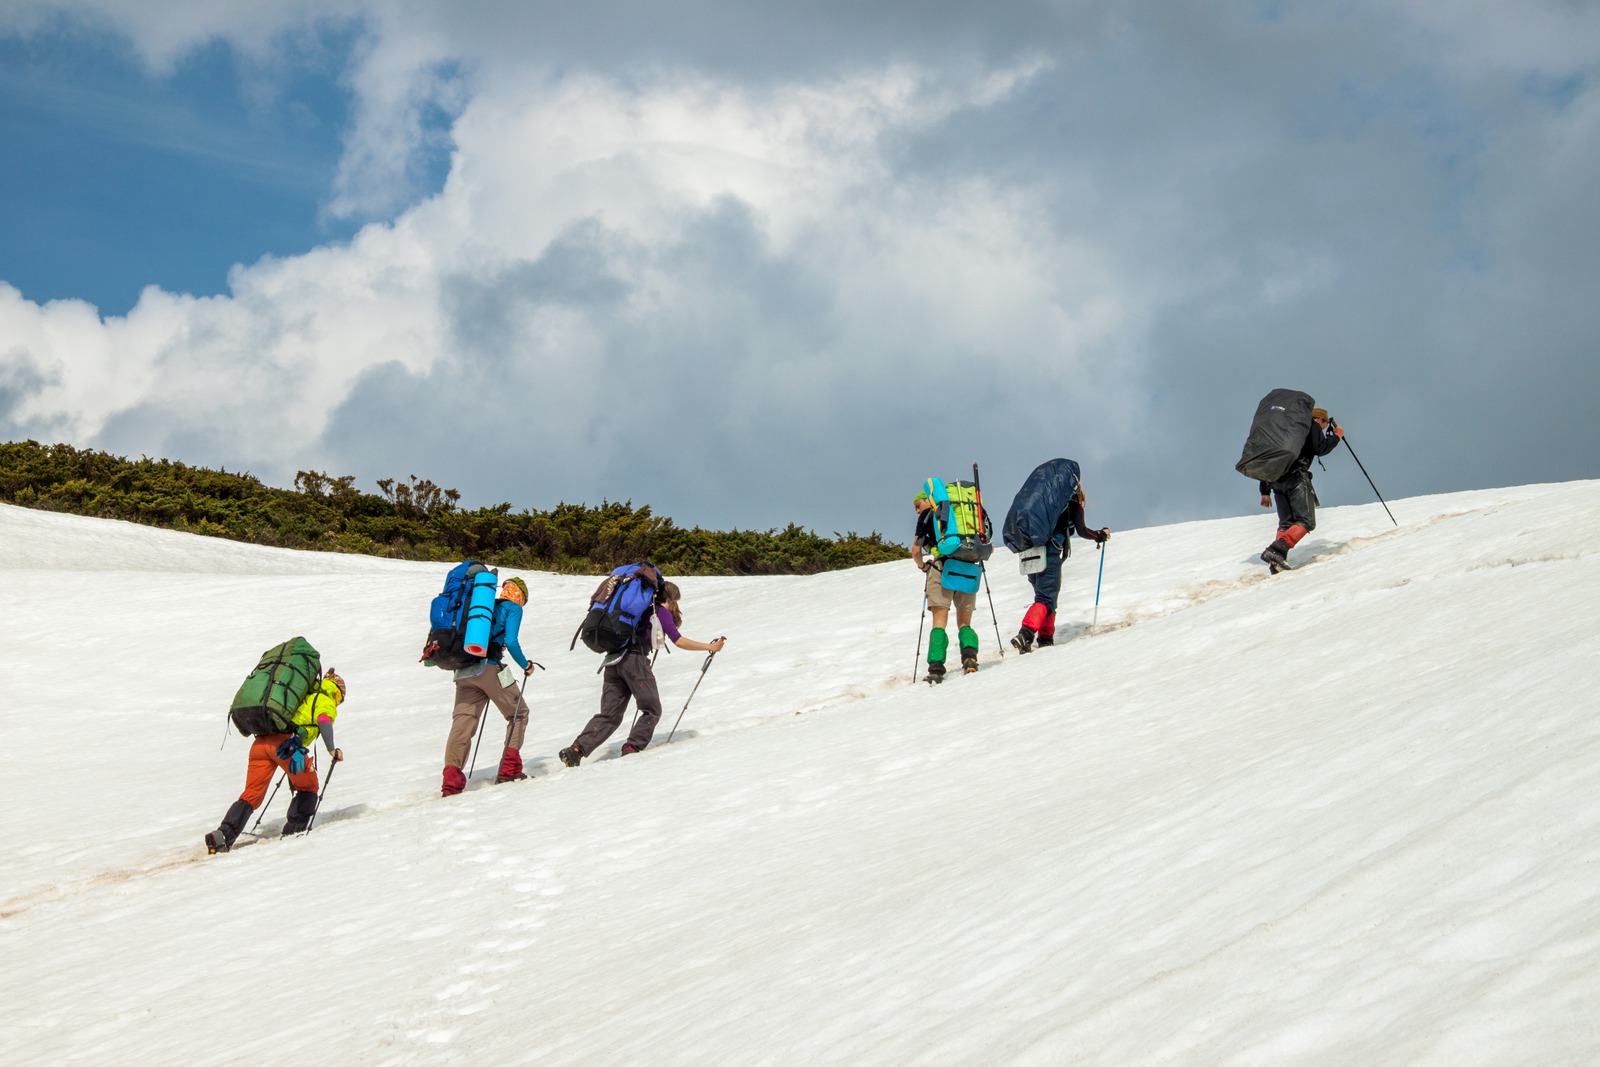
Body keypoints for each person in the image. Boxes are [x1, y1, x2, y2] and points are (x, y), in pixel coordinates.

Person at [558, 580, 725, 765]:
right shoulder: (659, 611)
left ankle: (576, 750)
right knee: (652, 709)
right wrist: (709, 647)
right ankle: (632, 748)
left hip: (613, 661)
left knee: (609, 715)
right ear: (671, 598)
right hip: (635, 661)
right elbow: (678, 640)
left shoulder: (639, 610)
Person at [205, 669, 346, 853]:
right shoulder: (325, 699)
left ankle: (223, 835)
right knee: (308, 787)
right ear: (338, 692)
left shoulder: (302, 694)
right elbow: (324, 720)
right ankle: (293, 833)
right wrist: (332, 749)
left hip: (261, 743)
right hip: (286, 746)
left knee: (252, 794)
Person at [442, 576, 538, 796]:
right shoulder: (513, 608)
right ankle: (509, 769)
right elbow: (511, 641)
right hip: (490, 667)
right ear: (520, 595)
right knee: (519, 713)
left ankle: (451, 782)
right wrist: (526, 665)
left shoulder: (482, 607)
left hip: (464, 671)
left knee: (463, 724)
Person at [1011, 481, 1109, 653]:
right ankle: (1026, 634)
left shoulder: (1042, 503)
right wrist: (1099, 535)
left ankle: (1045, 639)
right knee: (1045, 599)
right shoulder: (1071, 504)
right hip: (1049, 555)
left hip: (1029, 556)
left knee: (1047, 599)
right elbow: (1082, 530)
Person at [1258, 407, 1344, 571]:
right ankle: (1276, 550)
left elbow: (1271, 460)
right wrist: (1336, 436)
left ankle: (1277, 561)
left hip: (1276, 480)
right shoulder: (1312, 425)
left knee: (1286, 523)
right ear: (1320, 419)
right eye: (1325, 424)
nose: (1323, 428)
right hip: (1296, 478)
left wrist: (1265, 491)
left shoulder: (1287, 430)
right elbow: (1320, 448)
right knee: (1306, 521)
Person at [911, 488, 979, 680]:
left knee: (939, 622)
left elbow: (915, 551)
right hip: (967, 568)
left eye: (918, 505)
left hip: (941, 568)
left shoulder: (928, 515)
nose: (917, 510)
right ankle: (970, 659)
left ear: (929, 499)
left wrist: (923, 566)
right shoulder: (964, 511)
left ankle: (936, 668)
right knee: (964, 622)